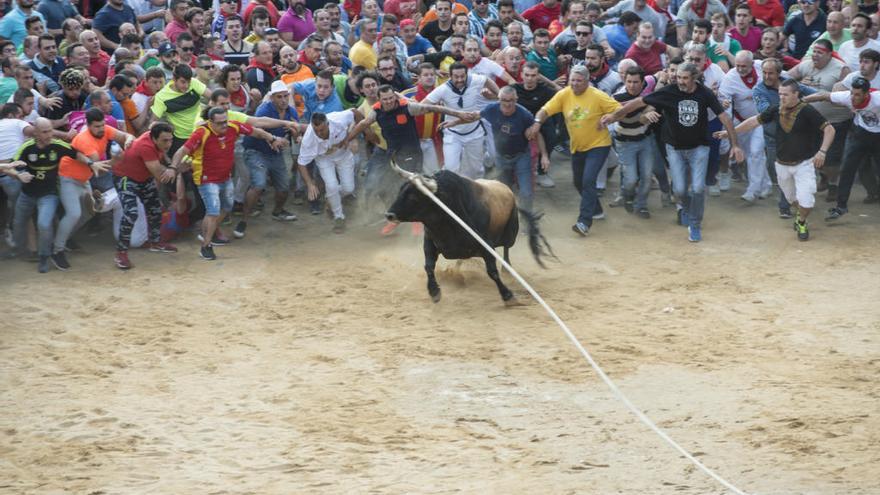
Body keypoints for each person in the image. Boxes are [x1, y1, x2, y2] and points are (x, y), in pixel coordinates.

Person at [601, 63, 743, 243]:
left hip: (699, 147)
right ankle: (686, 208)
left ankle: (695, 224)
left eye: (685, 78)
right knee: (680, 189)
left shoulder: (705, 93)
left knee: (698, 188)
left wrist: (735, 145)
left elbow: (725, 118)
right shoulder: (669, 91)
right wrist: (614, 116)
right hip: (674, 148)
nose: (681, 81)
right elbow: (639, 102)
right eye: (679, 77)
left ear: (694, 78)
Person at [719, 79, 835, 241]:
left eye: (785, 94)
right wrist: (731, 132)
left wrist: (822, 152)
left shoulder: (807, 110)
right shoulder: (775, 109)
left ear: (796, 94)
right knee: (791, 199)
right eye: (780, 94)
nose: (781, 97)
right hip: (782, 164)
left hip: (804, 164)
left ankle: (802, 221)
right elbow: (754, 121)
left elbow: (829, 129)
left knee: (807, 201)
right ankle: (800, 215)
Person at [170, 107, 284, 260]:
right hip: (206, 179)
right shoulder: (201, 133)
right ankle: (206, 246)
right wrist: (172, 168)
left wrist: (272, 139)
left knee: (227, 207)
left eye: (225, 121)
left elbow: (256, 131)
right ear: (210, 122)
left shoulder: (233, 126)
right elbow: (182, 151)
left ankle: (206, 233)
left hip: (225, 177)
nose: (224, 125)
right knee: (213, 211)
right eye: (220, 123)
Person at [527, 65, 620, 236]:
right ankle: (597, 210)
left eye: (579, 81)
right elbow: (545, 110)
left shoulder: (598, 95)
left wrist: (612, 117)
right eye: (572, 80)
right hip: (577, 146)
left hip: (599, 145)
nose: (575, 84)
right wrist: (537, 122)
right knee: (578, 182)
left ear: (587, 81)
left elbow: (619, 110)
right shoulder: (564, 94)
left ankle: (584, 222)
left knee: (588, 180)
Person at [5, 118, 106, 273]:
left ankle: (44, 256)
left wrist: (91, 164)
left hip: (48, 195)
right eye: (45, 132)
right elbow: (10, 167)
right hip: (27, 194)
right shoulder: (26, 147)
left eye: (50, 131)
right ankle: (17, 249)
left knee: (44, 224)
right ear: (36, 133)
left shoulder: (57, 145)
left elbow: (76, 153)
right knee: (18, 223)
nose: (49, 135)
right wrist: (18, 176)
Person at [54, 107, 135, 270]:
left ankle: (65, 238)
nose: (101, 129)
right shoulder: (84, 140)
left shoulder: (105, 129)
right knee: (74, 213)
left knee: (88, 213)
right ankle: (56, 250)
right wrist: (116, 160)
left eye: (102, 125)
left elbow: (125, 136)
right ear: (89, 125)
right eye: (97, 126)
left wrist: (128, 140)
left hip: (83, 179)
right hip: (68, 178)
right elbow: (99, 168)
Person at [805, 78, 880, 221]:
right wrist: (801, 101)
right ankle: (841, 207)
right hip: (860, 134)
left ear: (866, 94)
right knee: (847, 169)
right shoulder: (847, 97)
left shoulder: (877, 99)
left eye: (857, 95)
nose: (853, 97)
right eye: (852, 93)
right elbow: (823, 95)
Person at [235, 81, 297, 240]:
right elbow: (256, 129)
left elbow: (296, 135)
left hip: (275, 154)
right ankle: (244, 220)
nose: (283, 100)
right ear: (272, 98)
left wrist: (294, 134)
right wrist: (273, 139)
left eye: (285, 96)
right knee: (259, 184)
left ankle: (278, 211)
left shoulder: (291, 112)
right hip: (256, 151)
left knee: (284, 187)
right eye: (279, 97)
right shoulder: (264, 109)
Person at [111, 121, 178, 269]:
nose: (168, 144)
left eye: (171, 140)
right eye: (165, 141)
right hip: (125, 178)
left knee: (155, 209)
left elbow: (161, 160)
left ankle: (155, 242)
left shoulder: (155, 138)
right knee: (131, 213)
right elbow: (160, 175)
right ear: (154, 138)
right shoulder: (145, 146)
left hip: (143, 177)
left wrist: (170, 166)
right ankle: (121, 253)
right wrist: (175, 169)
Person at [422, 62, 500, 179]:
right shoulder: (442, 90)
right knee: (451, 169)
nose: (459, 80)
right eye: (456, 77)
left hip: (475, 132)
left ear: (467, 74)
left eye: (462, 76)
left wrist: (498, 94)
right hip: (453, 134)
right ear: (450, 76)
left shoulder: (475, 80)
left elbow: (486, 80)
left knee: (474, 171)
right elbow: (423, 106)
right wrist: (443, 109)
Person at [479, 86, 547, 213]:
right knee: (503, 191)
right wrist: (455, 122)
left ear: (516, 100)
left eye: (511, 100)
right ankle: (506, 216)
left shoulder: (524, 114)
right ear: (499, 99)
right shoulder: (491, 109)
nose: (507, 104)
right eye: (504, 100)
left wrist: (544, 155)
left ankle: (527, 218)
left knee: (526, 192)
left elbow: (537, 133)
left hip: (521, 156)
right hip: (501, 157)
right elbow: (473, 116)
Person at [719, 50, 772, 203]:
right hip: (741, 121)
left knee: (756, 151)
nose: (740, 69)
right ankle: (766, 185)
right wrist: (727, 130)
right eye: (737, 65)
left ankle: (752, 190)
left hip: (761, 119)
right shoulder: (730, 78)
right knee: (751, 154)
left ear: (752, 63)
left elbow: (783, 75)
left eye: (744, 66)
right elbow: (725, 105)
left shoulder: (762, 66)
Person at [297, 110, 361, 234]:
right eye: (316, 130)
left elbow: (355, 112)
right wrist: (310, 184)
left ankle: (331, 198)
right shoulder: (308, 139)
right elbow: (301, 163)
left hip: (344, 155)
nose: (319, 134)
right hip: (324, 159)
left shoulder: (339, 119)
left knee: (349, 189)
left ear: (328, 124)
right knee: (331, 186)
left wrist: (352, 138)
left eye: (322, 130)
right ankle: (338, 217)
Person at [612, 66, 661, 218]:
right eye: (629, 82)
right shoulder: (617, 97)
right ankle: (627, 195)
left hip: (645, 140)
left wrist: (650, 110)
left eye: (635, 82)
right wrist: (646, 114)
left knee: (647, 176)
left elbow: (660, 75)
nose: (632, 85)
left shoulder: (648, 92)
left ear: (642, 82)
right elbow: (622, 118)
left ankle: (641, 205)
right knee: (631, 179)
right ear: (624, 81)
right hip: (625, 142)